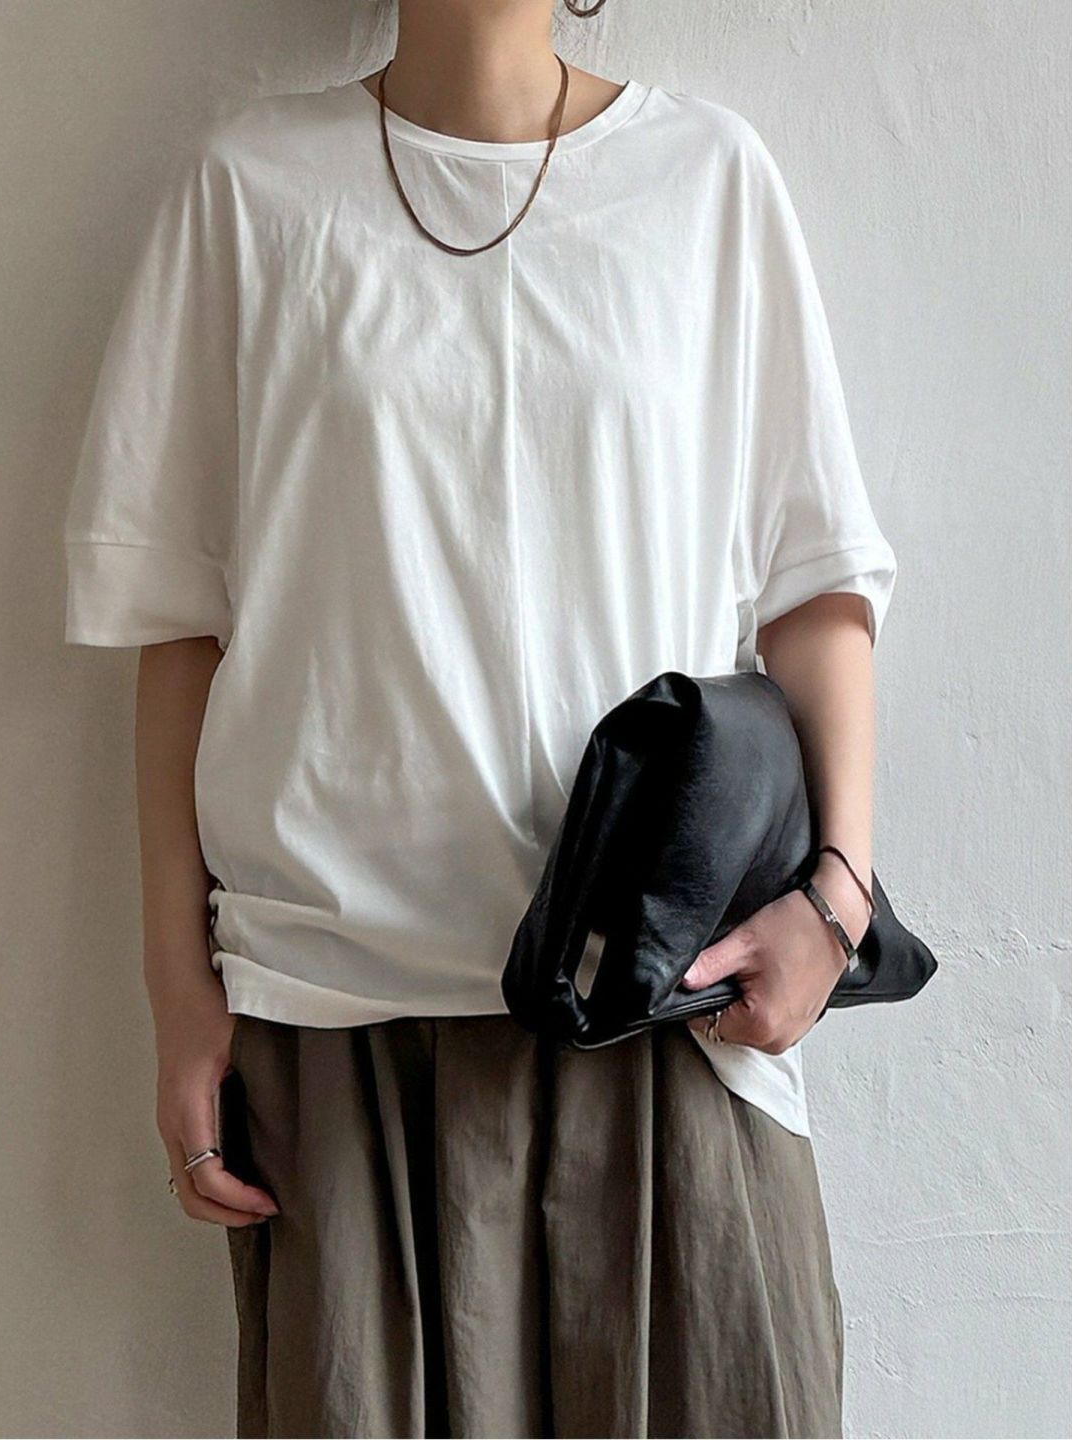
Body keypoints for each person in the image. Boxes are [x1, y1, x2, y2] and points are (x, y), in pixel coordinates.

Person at [63, 2, 898, 1435]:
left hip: (667, 1014)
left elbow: (817, 583)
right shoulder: (250, 191)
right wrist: (177, 992)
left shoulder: (707, 181)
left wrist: (838, 902)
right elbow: (178, 618)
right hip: (340, 1025)